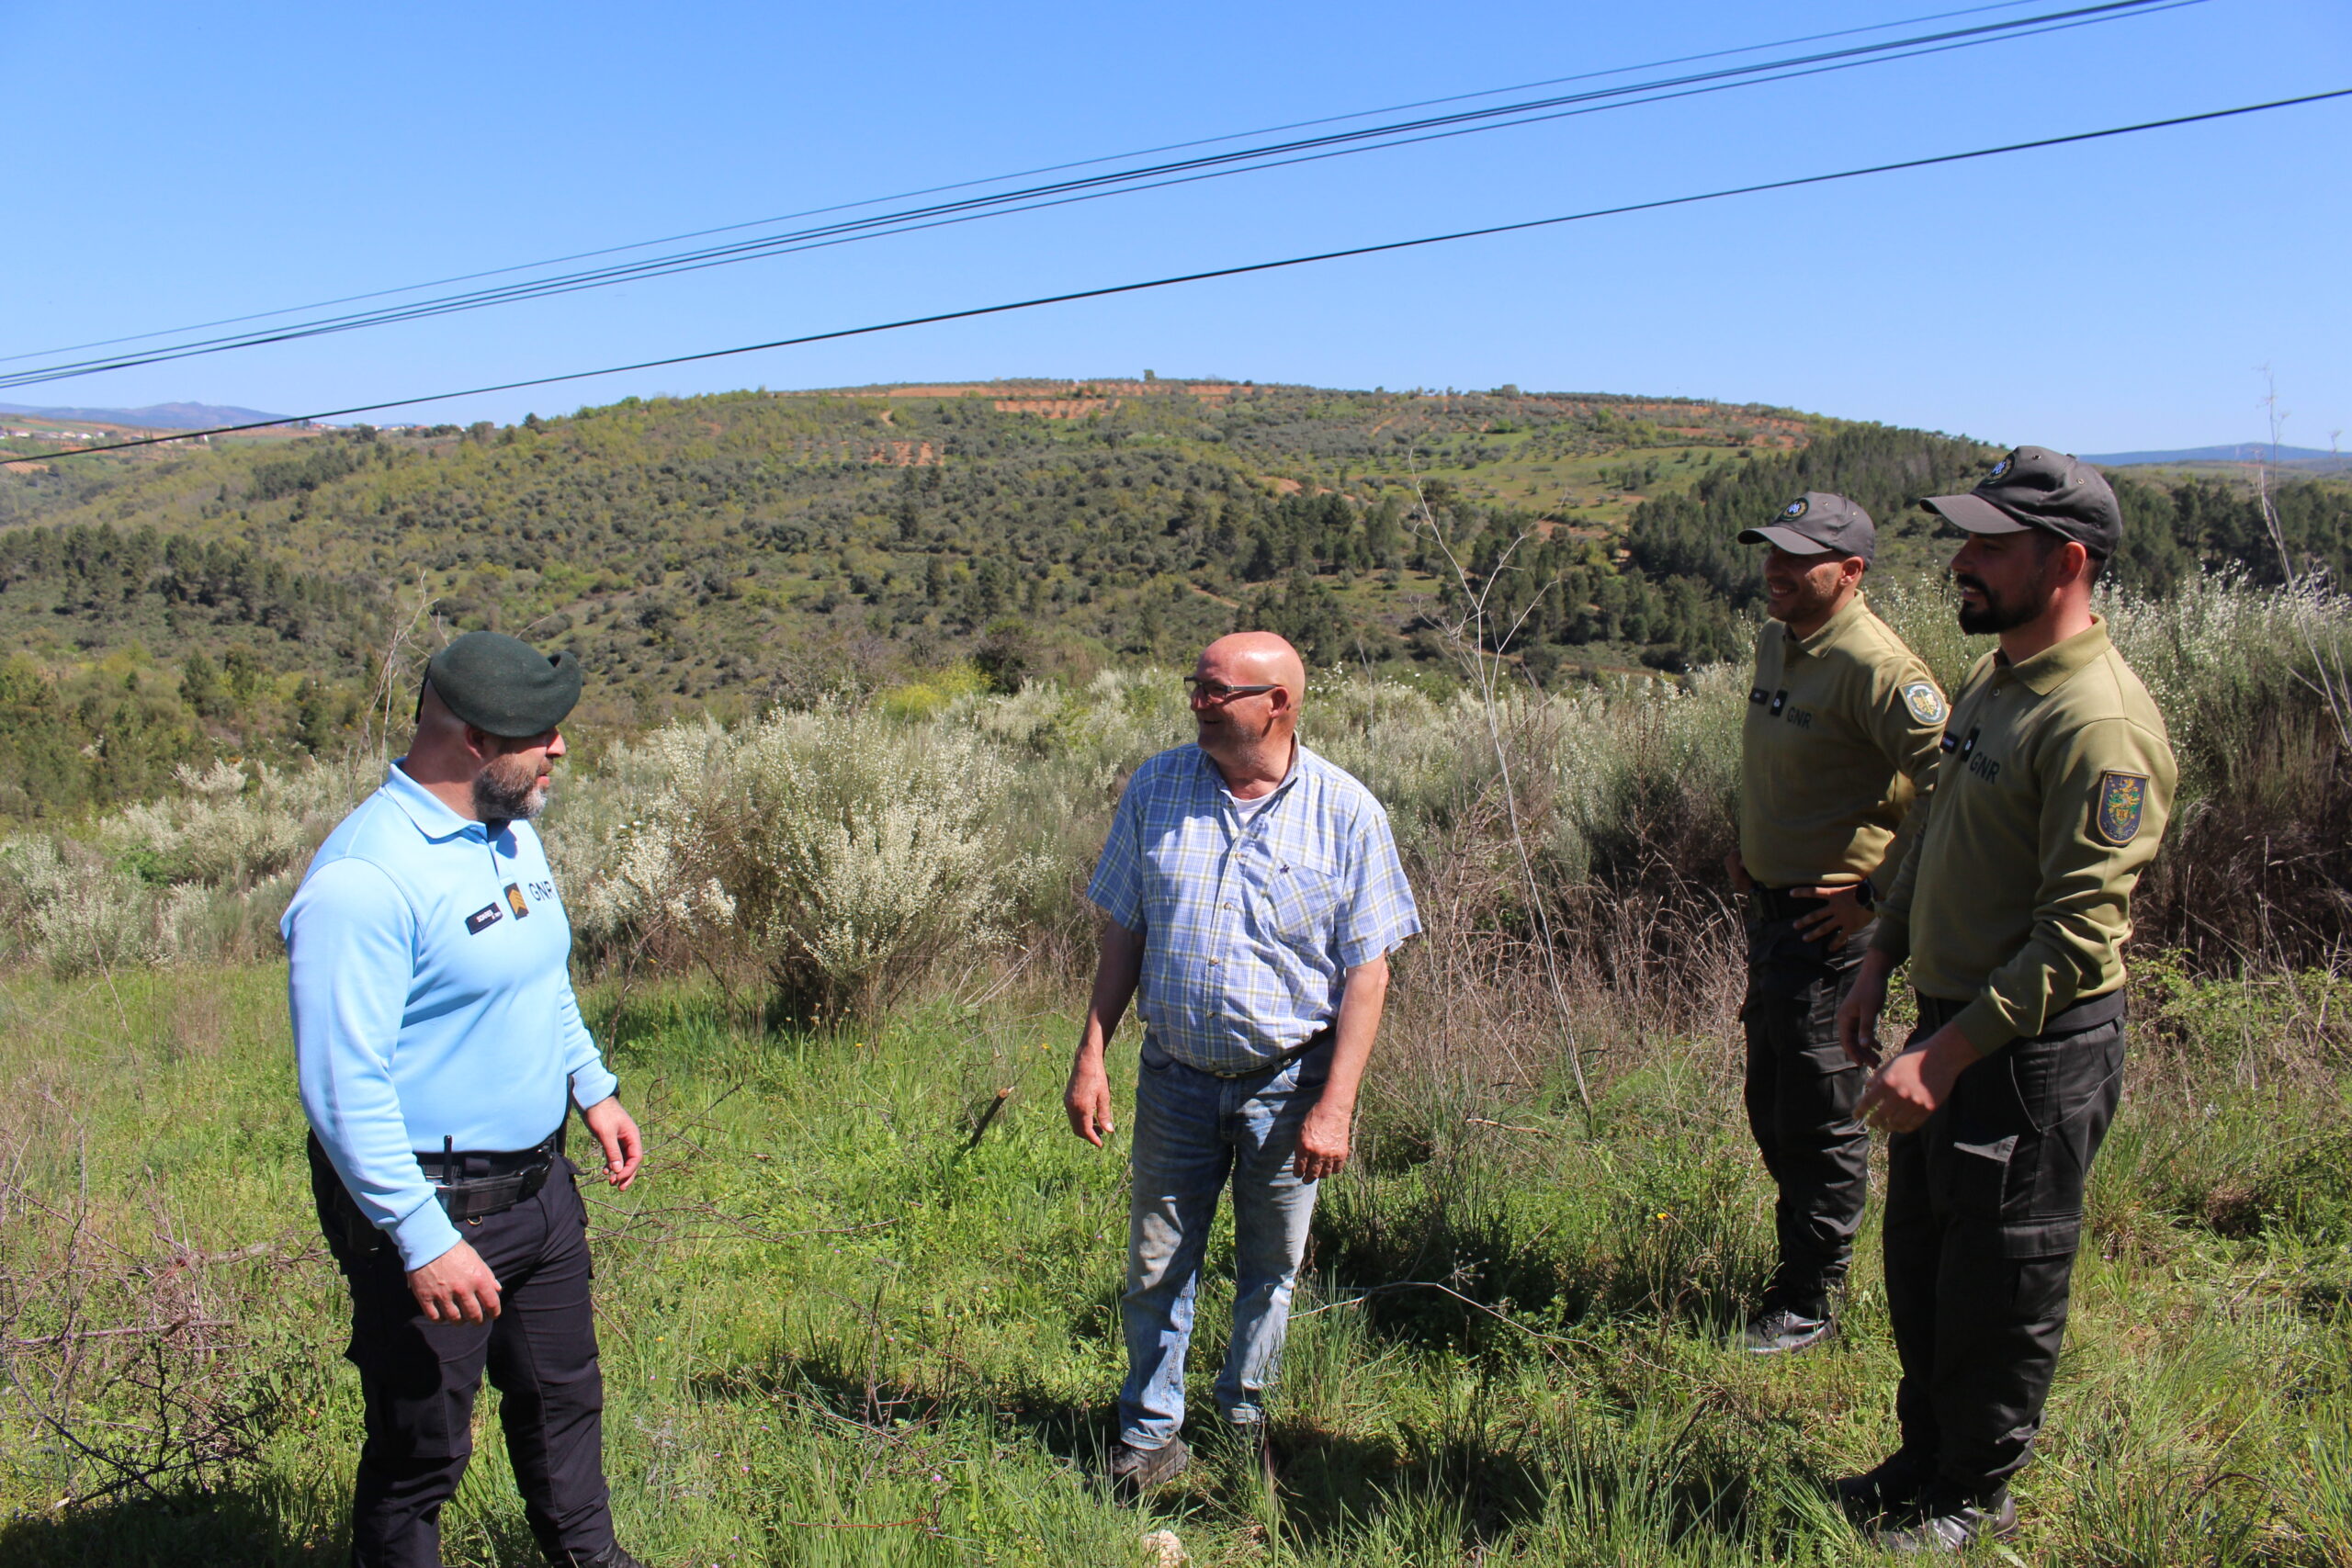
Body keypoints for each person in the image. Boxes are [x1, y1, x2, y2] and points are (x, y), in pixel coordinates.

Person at [1837, 448, 2176, 1551]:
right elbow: (1936, 835)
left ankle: (1974, 1493)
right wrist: (1881, 959)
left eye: (1988, 546)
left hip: (2029, 1052)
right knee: (1927, 1256)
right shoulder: (1999, 681)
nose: (1960, 564)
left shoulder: (2099, 722)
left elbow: (2077, 939)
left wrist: (1946, 1054)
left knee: (2003, 1273)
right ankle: (1925, 1458)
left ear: (2066, 560)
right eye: (1962, 540)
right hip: (1948, 1018)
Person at [286, 630, 647, 1568]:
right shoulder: (365, 881)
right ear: (473, 741)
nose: (561, 749)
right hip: (433, 1208)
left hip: (541, 1188)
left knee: (564, 1401)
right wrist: (422, 1236)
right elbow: (341, 1088)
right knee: (424, 1452)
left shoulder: (510, 829)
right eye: (543, 733)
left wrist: (593, 1088)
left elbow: (543, 978)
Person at [1064, 631, 1420, 1492]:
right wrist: (1092, 1051)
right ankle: (1149, 1435)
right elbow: (1127, 927)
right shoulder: (1157, 787)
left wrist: (1335, 1105)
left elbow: (1367, 972)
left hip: (1289, 1087)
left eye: (1215, 691)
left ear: (1277, 705)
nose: (1197, 702)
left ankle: (1242, 1422)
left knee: (1271, 1269)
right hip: (1176, 1078)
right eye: (1196, 686)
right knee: (1157, 1264)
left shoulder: (1347, 811)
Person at [1725, 491, 1945, 1355]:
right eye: (1770, 551)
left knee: (1818, 1111)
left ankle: (1812, 1295)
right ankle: (1803, 1270)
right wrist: (1751, 848)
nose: (1774, 569)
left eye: (1797, 557)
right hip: (1773, 916)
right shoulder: (1780, 639)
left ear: (1850, 571)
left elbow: (1947, 784)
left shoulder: (1880, 667)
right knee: (1771, 1103)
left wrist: (1877, 893)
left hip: (1830, 930)